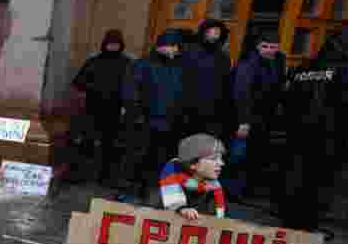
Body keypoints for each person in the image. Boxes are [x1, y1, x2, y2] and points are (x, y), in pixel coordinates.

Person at [279, 28, 348, 232]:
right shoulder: (347, 69)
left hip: (296, 131)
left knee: (294, 174)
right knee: (318, 180)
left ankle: (289, 218)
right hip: (329, 133)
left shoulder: (303, 67)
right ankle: (307, 222)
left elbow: (286, 99)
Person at [116, 30, 184, 201]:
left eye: (177, 47)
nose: (177, 50)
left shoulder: (176, 67)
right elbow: (131, 92)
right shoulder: (142, 64)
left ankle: (147, 192)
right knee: (135, 157)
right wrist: (136, 114)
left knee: (156, 160)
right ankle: (127, 191)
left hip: (166, 122)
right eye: (174, 46)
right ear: (163, 46)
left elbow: (178, 94)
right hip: (143, 121)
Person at [224, 29, 286, 199]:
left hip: (265, 118)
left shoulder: (279, 62)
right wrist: (244, 121)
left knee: (254, 155)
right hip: (246, 117)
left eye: (273, 47)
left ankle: (244, 190)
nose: (269, 50)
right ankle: (230, 191)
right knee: (238, 155)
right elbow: (241, 93)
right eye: (265, 46)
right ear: (258, 46)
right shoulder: (248, 63)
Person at [67, 29, 132, 183]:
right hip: (93, 107)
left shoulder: (127, 63)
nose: (113, 47)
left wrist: (126, 104)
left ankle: (105, 177)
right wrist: (92, 88)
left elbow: (132, 87)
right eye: (110, 43)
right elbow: (78, 82)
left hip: (114, 109)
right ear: (105, 44)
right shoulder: (94, 61)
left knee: (109, 145)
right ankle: (81, 174)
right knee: (86, 143)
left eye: (116, 44)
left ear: (121, 45)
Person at [179, 19, 234, 140]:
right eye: (210, 31)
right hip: (186, 107)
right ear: (203, 32)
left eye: (217, 32)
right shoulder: (188, 50)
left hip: (211, 110)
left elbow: (224, 83)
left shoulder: (223, 57)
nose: (214, 35)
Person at [156, 133, 227, 220]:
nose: (221, 163)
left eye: (221, 159)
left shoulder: (213, 185)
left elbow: (219, 214)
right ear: (193, 164)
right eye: (213, 158)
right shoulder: (172, 173)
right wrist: (181, 209)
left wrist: (220, 219)